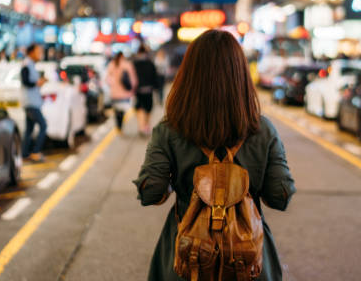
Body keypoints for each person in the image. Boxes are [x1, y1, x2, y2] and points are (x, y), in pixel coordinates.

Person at [134, 30, 296, 280]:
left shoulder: (169, 130)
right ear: (241, 75)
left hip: (188, 262)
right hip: (248, 262)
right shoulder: (263, 130)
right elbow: (279, 196)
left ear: (188, 76)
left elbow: (150, 192)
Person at [21, 44, 48, 162]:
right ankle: (35, 152)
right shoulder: (27, 64)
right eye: (38, 51)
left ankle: (25, 153)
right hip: (30, 102)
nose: (40, 54)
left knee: (29, 129)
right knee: (43, 125)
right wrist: (38, 82)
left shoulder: (31, 64)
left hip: (32, 101)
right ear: (31, 52)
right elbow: (25, 81)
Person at [106, 52, 138, 131]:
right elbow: (133, 79)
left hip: (114, 93)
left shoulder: (111, 64)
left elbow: (107, 78)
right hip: (125, 93)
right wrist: (133, 89)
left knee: (116, 110)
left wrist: (112, 85)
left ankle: (118, 125)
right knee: (122, 110)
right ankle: (120, 125)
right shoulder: (127, 65)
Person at [133, 45, 158, 136]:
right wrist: (156, 87)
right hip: (149, 89)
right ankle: (146, 125)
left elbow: (132, 77)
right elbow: (155, 76)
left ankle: (141, 126)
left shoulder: (134, 63)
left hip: (138, 89)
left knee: (139, 107)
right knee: (148, 108)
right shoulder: (150, 63)